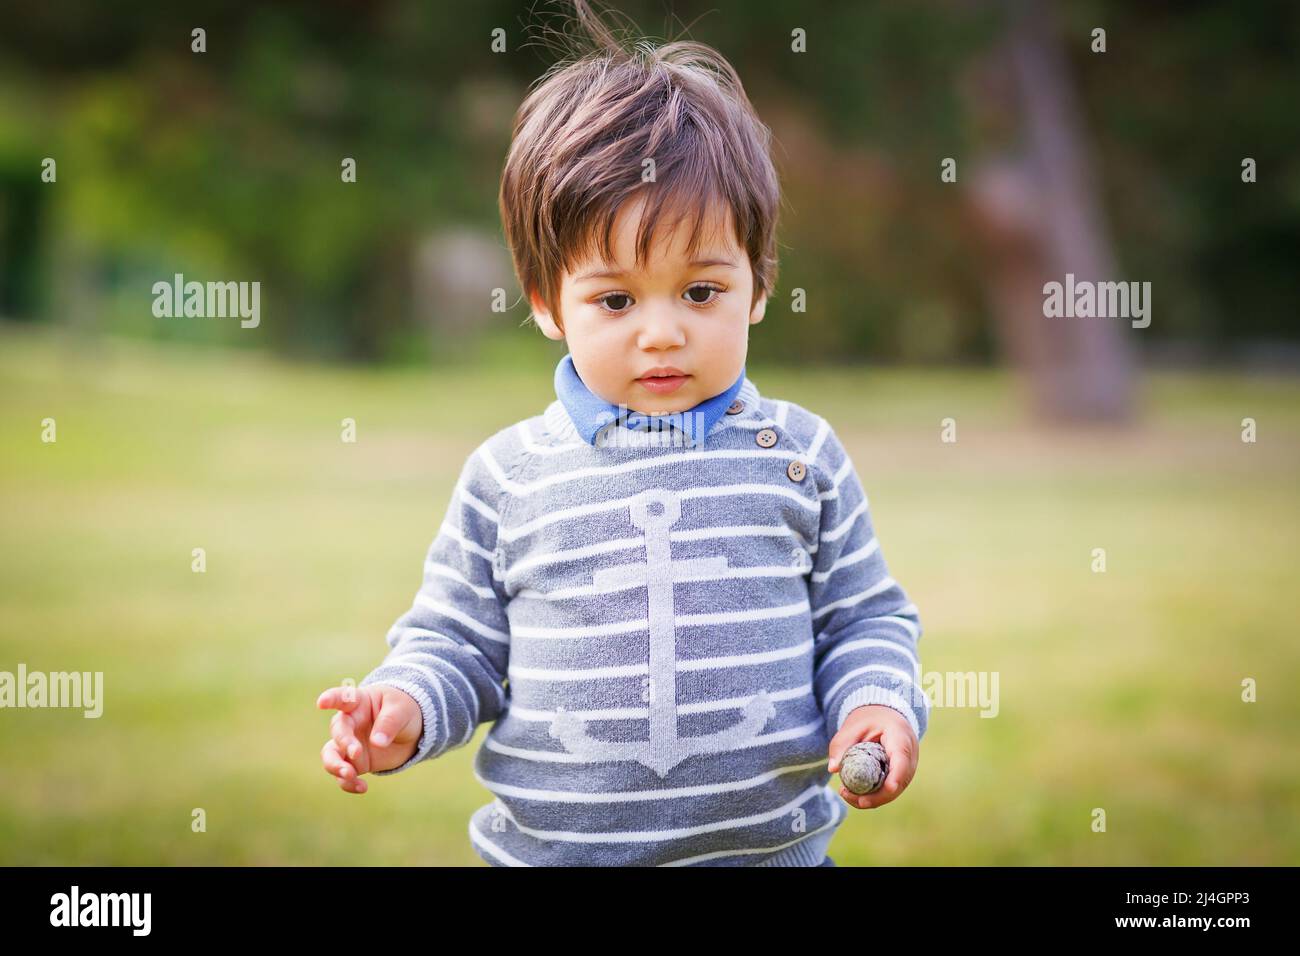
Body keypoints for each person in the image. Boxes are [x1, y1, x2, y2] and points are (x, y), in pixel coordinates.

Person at [317, 0, 928, 866]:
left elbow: (865, 619)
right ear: (544, 303)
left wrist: (877, 702)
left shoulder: (800, 460)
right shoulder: (509, 478)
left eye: (701, 291)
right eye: (615, 300)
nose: (662, 333)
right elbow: (455, 645)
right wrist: (402, 709)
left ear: (757, 285)